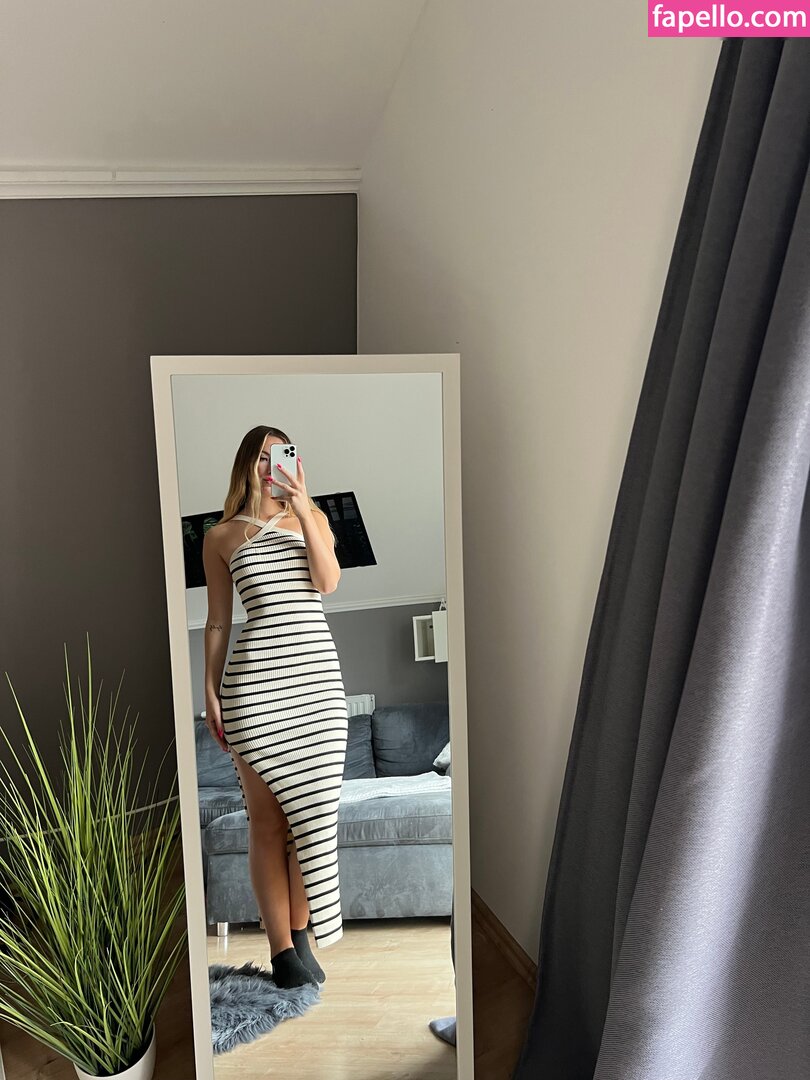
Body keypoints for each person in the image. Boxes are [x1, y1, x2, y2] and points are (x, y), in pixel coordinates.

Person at [202, 425, 348, 989]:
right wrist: (210, 690)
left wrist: (303, 506)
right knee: (267, 823)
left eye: (281, 456)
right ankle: (283, 951)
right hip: (254, 690)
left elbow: (327, 582)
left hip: (317, 687)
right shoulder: (220, 537)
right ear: (247, 463)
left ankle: (302, 934)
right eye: (263, 457)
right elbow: (219, 621)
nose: (272, 466)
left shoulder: (314, 518)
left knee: (315, 819)